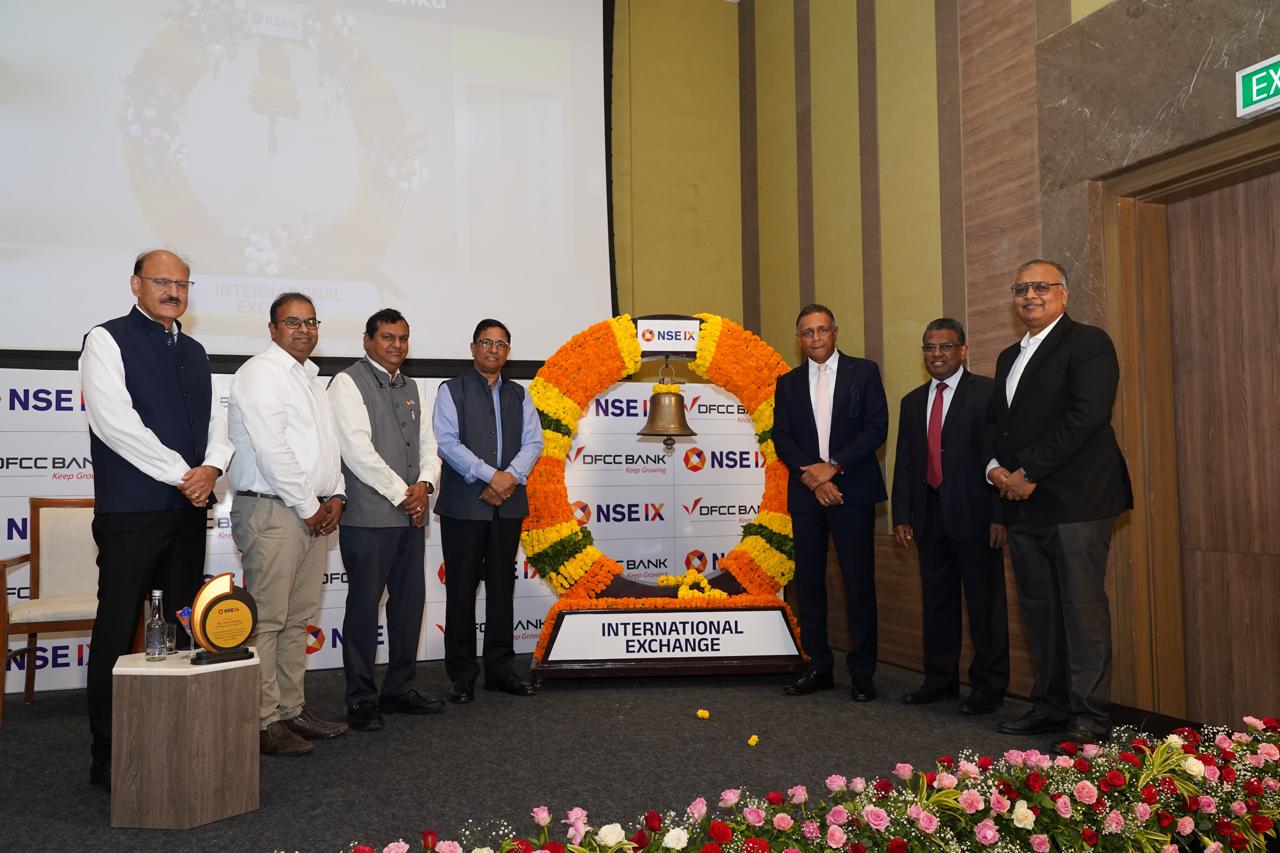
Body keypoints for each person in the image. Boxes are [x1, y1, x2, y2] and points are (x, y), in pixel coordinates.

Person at [79, 249, 232, 791]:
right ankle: (108, 750)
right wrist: (183, 474)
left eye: (182, 284)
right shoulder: (106, 339)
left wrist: (213, 467)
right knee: (119, 628)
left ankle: (177, 739)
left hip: (187, 511)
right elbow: (114, 423)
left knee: (186, 628)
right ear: (135, 284)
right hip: (133, 512)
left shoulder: (194, 349)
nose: (173, 291)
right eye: (162, 281)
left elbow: (216, 422)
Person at [985, 260, 1132, 746]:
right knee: (1040, 610)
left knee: (1081, 610)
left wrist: (1029, 472)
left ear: (1064, 294)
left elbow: (1086, 417)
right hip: (1022, 504)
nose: (1030, 295)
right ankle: (1050, 706)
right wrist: (995, 469)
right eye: (1021, 288)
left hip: (1077, 501)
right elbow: (997, 424)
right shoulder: (1008, 356)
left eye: (1041, 287)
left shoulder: (1088, 343)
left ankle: (1090, 717)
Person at [228, 292, 348, 756]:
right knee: (268, 621)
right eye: (293, 322)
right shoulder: (261, 372)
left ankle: (291, 709)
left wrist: (336, 493)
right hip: (275, 509)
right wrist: (308, 504)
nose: (304, 330)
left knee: (297, 620)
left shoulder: (310, 378)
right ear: (272, 329)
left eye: (311, 322)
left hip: (309, 510)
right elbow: (272, 448)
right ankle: (262, 721)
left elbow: (328, 447)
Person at [328, 309, 444, 731]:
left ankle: (398, 689)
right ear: (367, 340)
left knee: (408, 606)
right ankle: (360, 698)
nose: (397, 345)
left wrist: (426, 485)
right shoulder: (347, 382)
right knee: (364, 608)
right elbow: (357, 452)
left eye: (403, 338)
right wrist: (404, 495)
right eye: (388, 337)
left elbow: (429, 447)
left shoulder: (410, 385)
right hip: (369, 518)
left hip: (411, 517)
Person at [891, 318, 1009, 715]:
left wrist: (999, 515)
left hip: (977, 516)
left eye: (945, 346)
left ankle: (988, 688)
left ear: (963, 350)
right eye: (930, 347)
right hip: (929, 514)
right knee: (937, 602)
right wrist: (902, 515)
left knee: (984, 605)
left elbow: (999, 456)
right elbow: (906, 462)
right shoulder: (912, 401)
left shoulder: (988, 393)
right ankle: (939, 681)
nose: (937, 354)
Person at [773, 303, 888, 701]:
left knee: (858, 584)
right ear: (798, 339)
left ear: (835, 332)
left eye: (822, 330)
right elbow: (782, 437)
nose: (816, 337)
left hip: (853, 492)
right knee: (809, 584)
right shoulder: (787, 383)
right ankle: (819, 666)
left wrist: (833, 467)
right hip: (807, 495)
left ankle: (862, 674)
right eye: (808, 332)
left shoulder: (865, 372)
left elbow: (877, 427)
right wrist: (814, 477)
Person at [432, 319, 542, 703]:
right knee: (462, 589)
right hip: (464, 506)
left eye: (500, 344)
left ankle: (500, 669)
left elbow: (533, 442)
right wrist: (490, 476)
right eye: (486, 342)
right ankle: (462, 674)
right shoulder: (451, 390)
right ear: (473, 348)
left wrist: (508, 478)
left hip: (507, 506)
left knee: (501, 588)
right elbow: (447, 443)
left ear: (508, 352)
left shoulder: (520, 394)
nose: (493, 350)